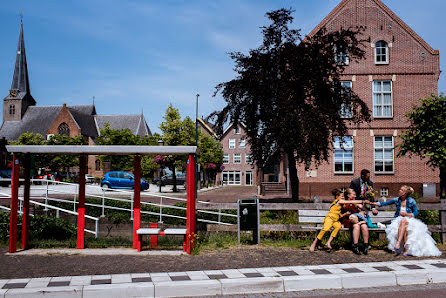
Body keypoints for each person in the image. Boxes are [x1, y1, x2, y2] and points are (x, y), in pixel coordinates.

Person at [374, 185, 441, 257]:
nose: (399, 191)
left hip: (409, 219)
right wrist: (373, 203)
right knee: (404, 227)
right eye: (400, 189)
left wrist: (406, 214)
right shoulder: (397, 200)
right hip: (398, 220)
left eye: (401, 190)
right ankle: (405, 250)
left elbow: (415, 213)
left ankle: (398, 243)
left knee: (404, 222)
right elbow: (384, 203)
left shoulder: (411, 201)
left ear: (405, 193)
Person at [340, 188, 370, 255]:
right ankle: (355, 246)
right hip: (348, 219)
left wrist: (363, 212)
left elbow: (365, 210)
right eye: (353, 195)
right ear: (348, 195)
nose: (355, 196)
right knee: (356, 226)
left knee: (364, 226)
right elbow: (340, 214)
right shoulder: (344, 202)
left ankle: (365, 246)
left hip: (357, 219)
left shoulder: (356, 203)